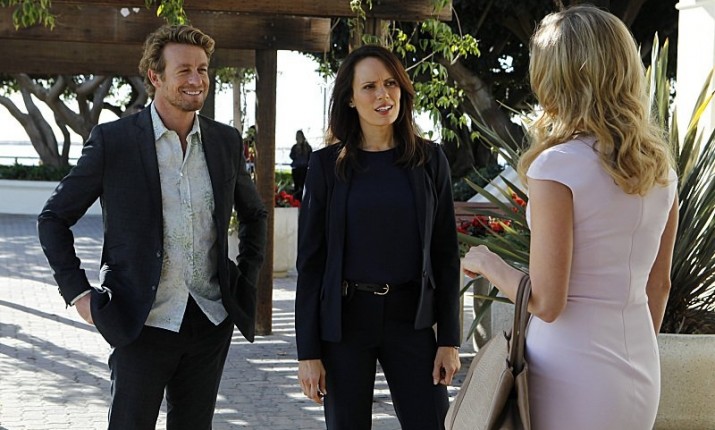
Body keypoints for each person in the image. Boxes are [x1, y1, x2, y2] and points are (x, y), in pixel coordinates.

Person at [37, 24, 267, 430]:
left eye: (202, 69)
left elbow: (254, 215)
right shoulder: (114, 141)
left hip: (209, 321)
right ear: (155, 76)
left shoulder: (225, 141)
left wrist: (244, 281)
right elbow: (53, 218)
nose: (196, 79)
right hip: (139, 322)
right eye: (184, 70)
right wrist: (78, 294)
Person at [461, 5, 678, 430]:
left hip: (568, 370)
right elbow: (659, 284)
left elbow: (546, 302)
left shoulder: (557, 166)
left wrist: (487, 262)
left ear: (556, 77)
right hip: (639, 364)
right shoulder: (659, 169)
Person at [295, 44, 462, 429]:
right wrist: (308, 353)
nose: (382, 95)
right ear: (350, 99)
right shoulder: (325, 166)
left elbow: (445, 254)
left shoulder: (430, 160)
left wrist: (449, 340)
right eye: (369, 87)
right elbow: (311, 264)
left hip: (411, 320)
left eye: (390, 84)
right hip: (345, 323)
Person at [289, 129, 313, 200]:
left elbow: (291, 156)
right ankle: (300, 200)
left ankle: (298, 200)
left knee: (299, 186)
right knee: (300, 186)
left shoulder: (299, 147)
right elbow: (310, 157)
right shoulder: (305, 147)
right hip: (301, 168)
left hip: (300, 168)